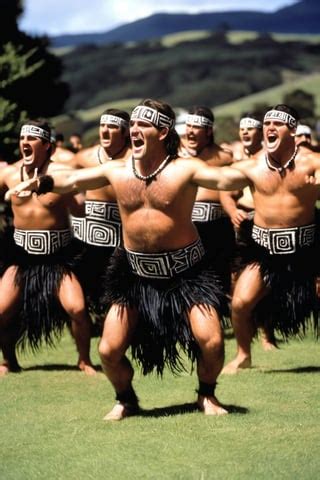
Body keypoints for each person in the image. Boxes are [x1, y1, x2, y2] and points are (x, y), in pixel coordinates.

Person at [7, 99, 249, 417]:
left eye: (142, 125)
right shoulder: (117, 171)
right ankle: (126, 399)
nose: (133, 130)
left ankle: (206, 395)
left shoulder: (184, 170)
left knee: (213, 341)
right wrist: (40, 182)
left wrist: (260, 168)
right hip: (133, 274)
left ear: (162, 132)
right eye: (132, 125)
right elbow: (73, 180)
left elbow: (227, 180)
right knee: (108, 350)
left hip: (187, 273)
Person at [220, 104, 320, 373]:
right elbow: (217, 183)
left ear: (293, 130)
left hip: (308, 249)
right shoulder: (252, 166)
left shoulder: (312, 162)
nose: (270, 129)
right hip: (264, 250)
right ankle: (243, 355)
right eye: (267, 124)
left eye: (278, 124)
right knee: (240, 304)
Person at [0, 119, 96, 376]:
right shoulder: (8, 174)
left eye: (31, 140)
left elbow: (80, 211)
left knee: (76, 308)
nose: (24, 144)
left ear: (47, 147)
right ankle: (9, 361)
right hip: (21, 255)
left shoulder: (61, 176)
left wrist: (79, 193)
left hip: (58, 256)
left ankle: (84, 359)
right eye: (22, 139)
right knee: (1, 310)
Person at [70, 109, 131, 333]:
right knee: (87, 291)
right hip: (88, 236)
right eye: (102, 125)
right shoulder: (85, 157)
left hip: (124, 237)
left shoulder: (134, 160)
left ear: (125, 132)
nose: (105, 130)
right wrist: (75, 203)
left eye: (112, 126)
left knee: (121, 294)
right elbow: (66, 174)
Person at [220, 113, 277, 351]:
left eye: (250, 129)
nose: (245, 132)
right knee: (238, 280)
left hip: (266, 224)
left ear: (260, 132)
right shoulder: (237, 163)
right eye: (242, 129)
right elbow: (225, 192)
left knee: (268, 281)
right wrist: (232, 210)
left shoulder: (270, 159)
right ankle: (246, 341)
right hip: (242, 224)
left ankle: (267, 336)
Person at [183, 106, 235, 293]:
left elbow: (232, 188)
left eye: (195, 127)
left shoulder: (224, 157)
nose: (190, 131)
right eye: (188, 125)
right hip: (184, 225)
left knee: (219, 277)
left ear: (208, 131)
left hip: (216, 225)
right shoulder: (175, 152)